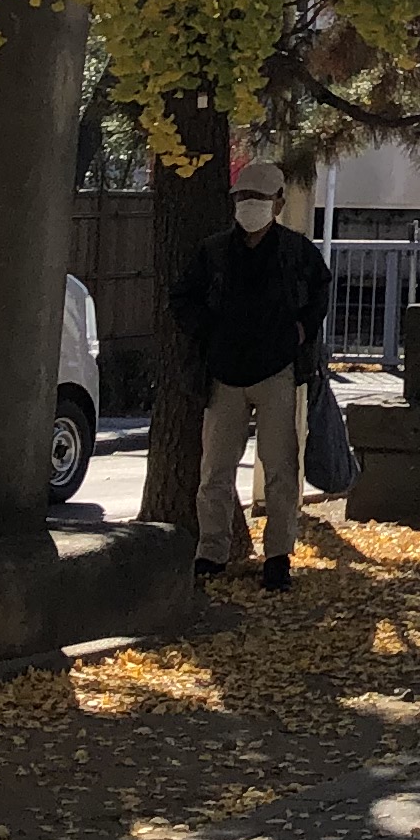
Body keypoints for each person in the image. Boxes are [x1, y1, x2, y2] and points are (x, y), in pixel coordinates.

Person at [170, 159, 333, 589]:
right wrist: (207, 331)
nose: (250, 205)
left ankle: (278, 555)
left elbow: (321, 291)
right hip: (224, 373)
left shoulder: (297, 252)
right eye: (243, 197)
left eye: (259, 198)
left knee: (280, 468)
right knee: (215, 472)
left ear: (278, 203)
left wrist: (302, 330)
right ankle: (211, 552)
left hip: (276, 370)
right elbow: (182, 297)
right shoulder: (214, 251)